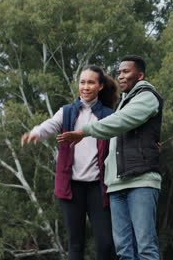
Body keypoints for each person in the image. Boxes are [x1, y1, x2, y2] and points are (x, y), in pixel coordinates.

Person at [57, 55, 163, 260]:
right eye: (119, 72)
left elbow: (121, 122)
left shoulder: (148, 96)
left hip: (140, 180)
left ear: (140, 75)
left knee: (145, 247)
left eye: (126, 72)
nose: (121, 76)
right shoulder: (122, 103)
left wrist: (83, 131)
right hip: (116, 184)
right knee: (123, 250)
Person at [21, 65, 118, 260]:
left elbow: (122, 137)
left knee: (106, 243)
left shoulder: (108, 115)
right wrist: (36, 132)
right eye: (82, 82)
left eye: (91, 82)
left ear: (100, 86)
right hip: (71, 187)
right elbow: (50, 125)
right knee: (75, 244)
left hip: (98, 187)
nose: (85, 87)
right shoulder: (66, 112)